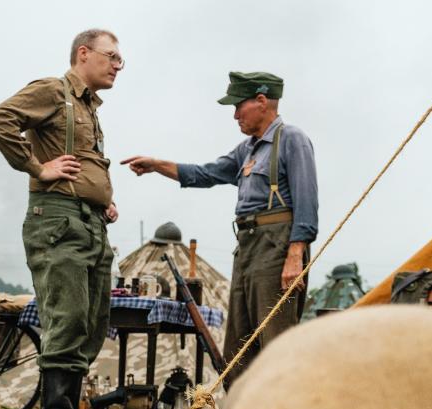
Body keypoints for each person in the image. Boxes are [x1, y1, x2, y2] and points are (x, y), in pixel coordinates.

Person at [122, 71, 318, 388]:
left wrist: (295, 255)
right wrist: (158, 165)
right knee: (238, 348)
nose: (235, 114)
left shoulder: (292, 140)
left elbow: (307, 201)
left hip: (278, 247)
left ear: (262, 101)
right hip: (247, 247)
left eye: (239, 106)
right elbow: (205, 173)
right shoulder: (248, 150)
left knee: (276, 342)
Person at [0, 29, 123, 409]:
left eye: (121, 60)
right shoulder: (52, 91)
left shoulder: (88, 109)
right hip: (58, 223)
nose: (118, 65)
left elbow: (83, 164)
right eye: (112, 57)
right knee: (67, 319)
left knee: (91, 323)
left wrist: (105, 199)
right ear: (84, 54)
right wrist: (37, 168)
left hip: (91, 224)